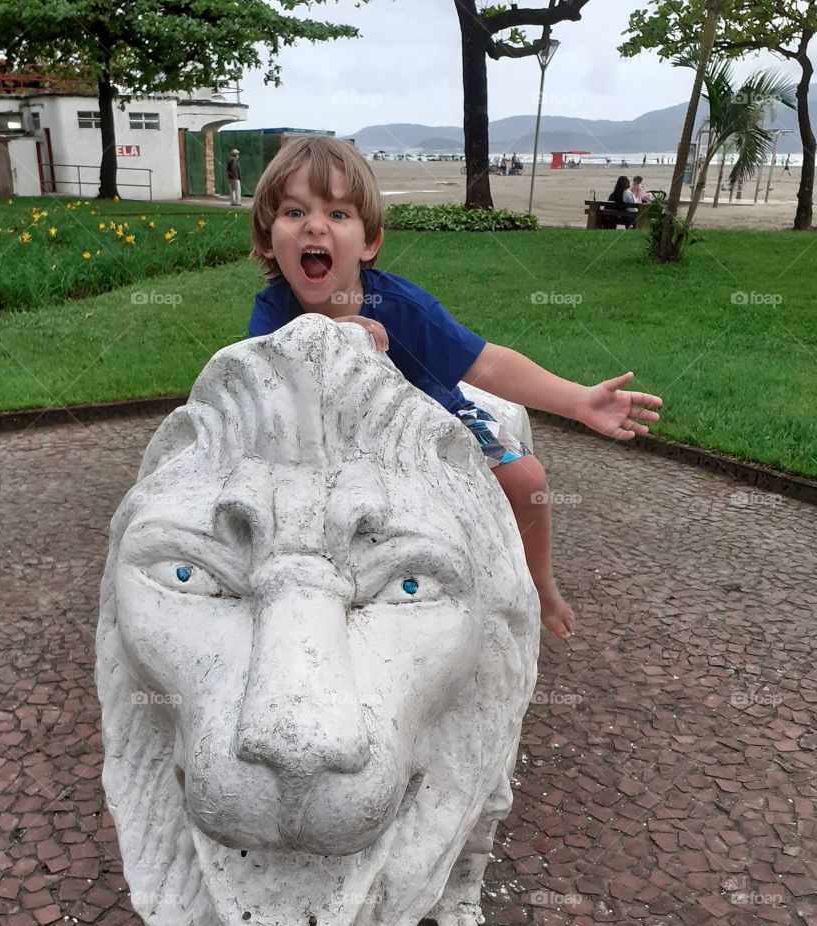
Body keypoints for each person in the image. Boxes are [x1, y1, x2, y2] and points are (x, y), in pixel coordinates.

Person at [246, 137, 661, 641]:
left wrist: (578, 400)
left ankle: (540, 583)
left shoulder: (402, 308)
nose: (315, 225)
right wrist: (338, 338)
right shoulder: (273, 313)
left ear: (369, 241)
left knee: (528, 478)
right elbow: (266, 382)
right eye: (294, 211)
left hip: (427, 418)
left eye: (337, 214)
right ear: (269, 238)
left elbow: (484, 362)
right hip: (326, 439)